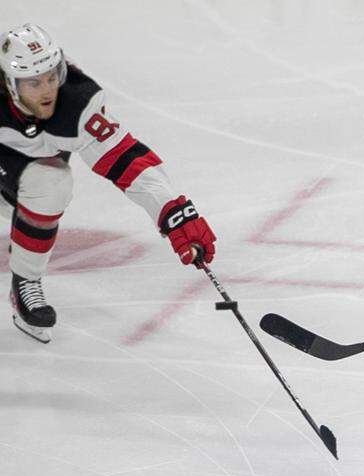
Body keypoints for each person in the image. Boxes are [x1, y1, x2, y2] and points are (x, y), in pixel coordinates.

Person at [0, 23, 216, 343]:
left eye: (51, 76)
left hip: (26, 176)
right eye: (33, 82)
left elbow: (126, 160)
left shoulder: (77, 103)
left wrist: (173, 213)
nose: (47, 90)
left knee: (52, 183)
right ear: (10, 84)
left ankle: (25, 282)